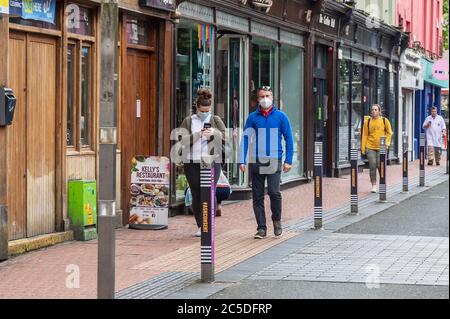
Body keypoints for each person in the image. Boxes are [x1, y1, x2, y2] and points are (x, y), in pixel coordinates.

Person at [239, 86, 294, 239]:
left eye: (267, 95)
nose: (265, 99)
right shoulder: (252, 117)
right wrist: (241, 160)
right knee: (257, 195)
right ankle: (261, 227)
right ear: (258, 99)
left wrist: (288, 160)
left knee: (274, 192)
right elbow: (245, 139)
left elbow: (289, 138)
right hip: (256, 160)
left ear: (272, 97)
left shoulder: (281, 117)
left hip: (274, 159)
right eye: (262, 96)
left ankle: (276, 220)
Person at [179, 88, 226, 237]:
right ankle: (201, 225)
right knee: (197, 193)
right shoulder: (189, 121)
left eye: (207, 110)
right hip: (191, 161)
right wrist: (198, 135)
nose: (205, 113)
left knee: (209, 191)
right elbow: (182, 140)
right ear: (197, 108)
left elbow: (226, 136)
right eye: (202, 111)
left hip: (211, 161)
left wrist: (214, 133)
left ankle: (209, 225)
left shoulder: (215, 120)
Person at [361, 104, 393, 193]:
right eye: (372, 110)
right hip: (370, 147)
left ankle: (382, 183)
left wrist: (386, 143)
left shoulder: (384, 120)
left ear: (379, 111)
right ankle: (374, 185)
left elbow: (389, 132)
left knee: (380, 165)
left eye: (375, 110)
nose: (373, 111)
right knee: (372, 165)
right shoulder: (367, 122)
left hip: (381, 147)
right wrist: (363, 148)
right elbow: (364, 135)